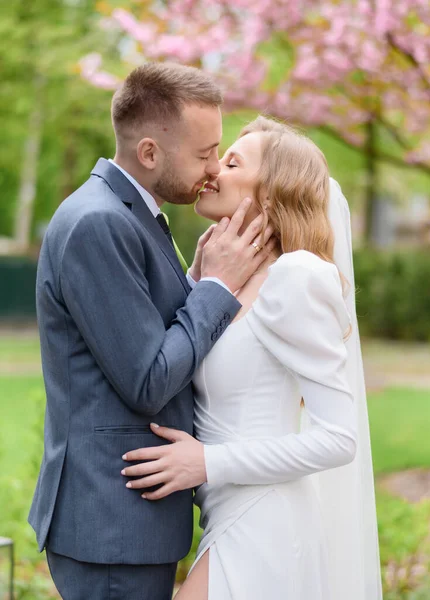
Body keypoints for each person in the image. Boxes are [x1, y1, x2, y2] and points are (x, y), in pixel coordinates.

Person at [28, 63, 276, 600]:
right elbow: (147, 378)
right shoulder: (101, 222)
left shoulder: (135, 216)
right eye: (204, 153)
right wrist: (219, 287)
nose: (213, 169)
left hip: (128, 519)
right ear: (149, 153)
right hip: (112, 521)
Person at [122, 117, 383, 600]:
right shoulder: (224, 279)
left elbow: (338, 439)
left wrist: (208, 462)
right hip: (224, 517)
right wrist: (198, 284)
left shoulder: (297, 276)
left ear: (270, 194)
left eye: (233, 160)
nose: (212, 168)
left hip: (265, 521)